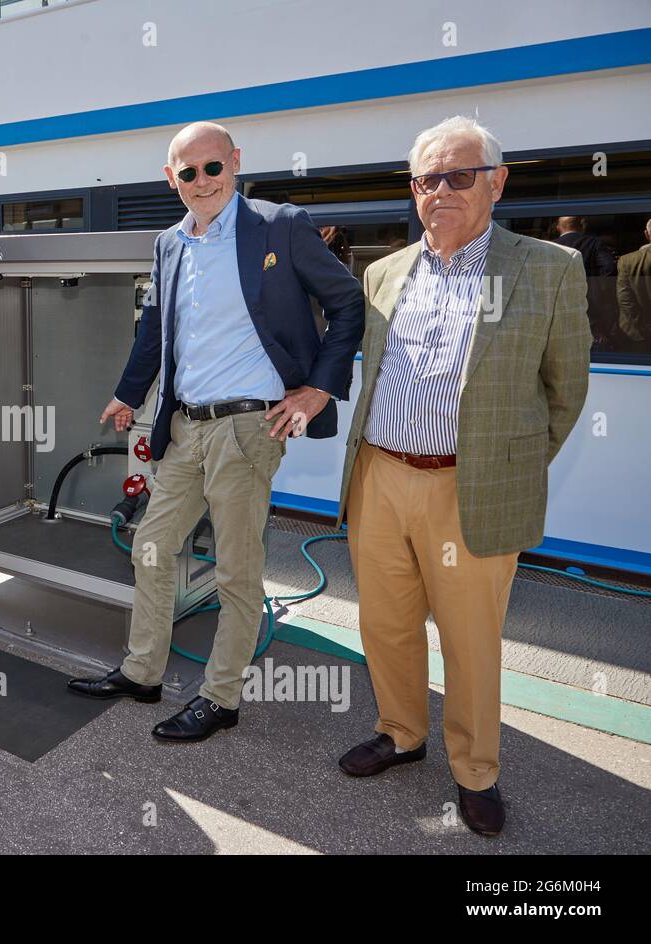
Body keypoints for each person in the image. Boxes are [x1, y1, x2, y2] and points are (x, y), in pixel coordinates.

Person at [334, 116, 591, 836]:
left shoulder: (547, 268)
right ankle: (401, 732)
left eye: (459, 175)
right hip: (380, 477)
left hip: (468, 486)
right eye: (426, 179)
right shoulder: (383, 272)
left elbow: (566, 390)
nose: (441, 190)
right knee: (384, 624)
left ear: (496, 182)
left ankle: (477, 770)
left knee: (470, 637)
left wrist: (503, 466)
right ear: (412, 190)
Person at [67, 121, 364, 742]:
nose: (201, 182)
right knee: (152, 545)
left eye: (211, 167)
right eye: (187, 172)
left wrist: (317, 387)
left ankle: (221, 697)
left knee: (235, 567)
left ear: (235, 163)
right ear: (169, 177)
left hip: (249, 427)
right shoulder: (170, 243)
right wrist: (127, 394)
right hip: (187, 427)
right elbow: (155, 330)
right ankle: (142, 671)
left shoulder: (279, 227)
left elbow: (348, 304)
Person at [553, 216, 617, 345]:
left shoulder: (550, 246)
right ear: (582, 226)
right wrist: (600, 289)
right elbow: (609, 267)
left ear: (558, 228)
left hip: (558, 304)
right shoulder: (594, 243)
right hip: (590, 304)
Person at [616, 217, 651, 353]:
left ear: (646, 235)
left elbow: (625, 301)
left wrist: (641, 330)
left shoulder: (627, 261)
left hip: (637, 335)